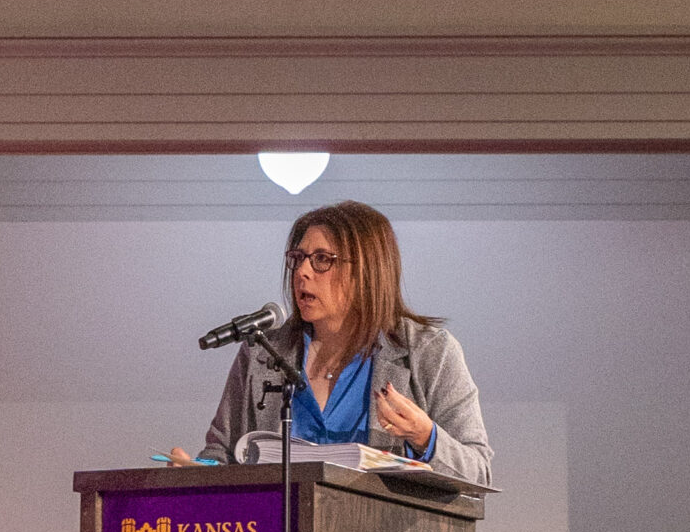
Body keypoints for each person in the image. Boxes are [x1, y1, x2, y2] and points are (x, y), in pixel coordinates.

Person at [168, 200, 491, 486]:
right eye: (299, 257)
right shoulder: (263, 352)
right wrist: (197, 473)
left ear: (367, 270)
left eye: (322, 259)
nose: (302, 272)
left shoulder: (428, 352)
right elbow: (223, 453)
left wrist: (425, 436)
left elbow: (477, 472)